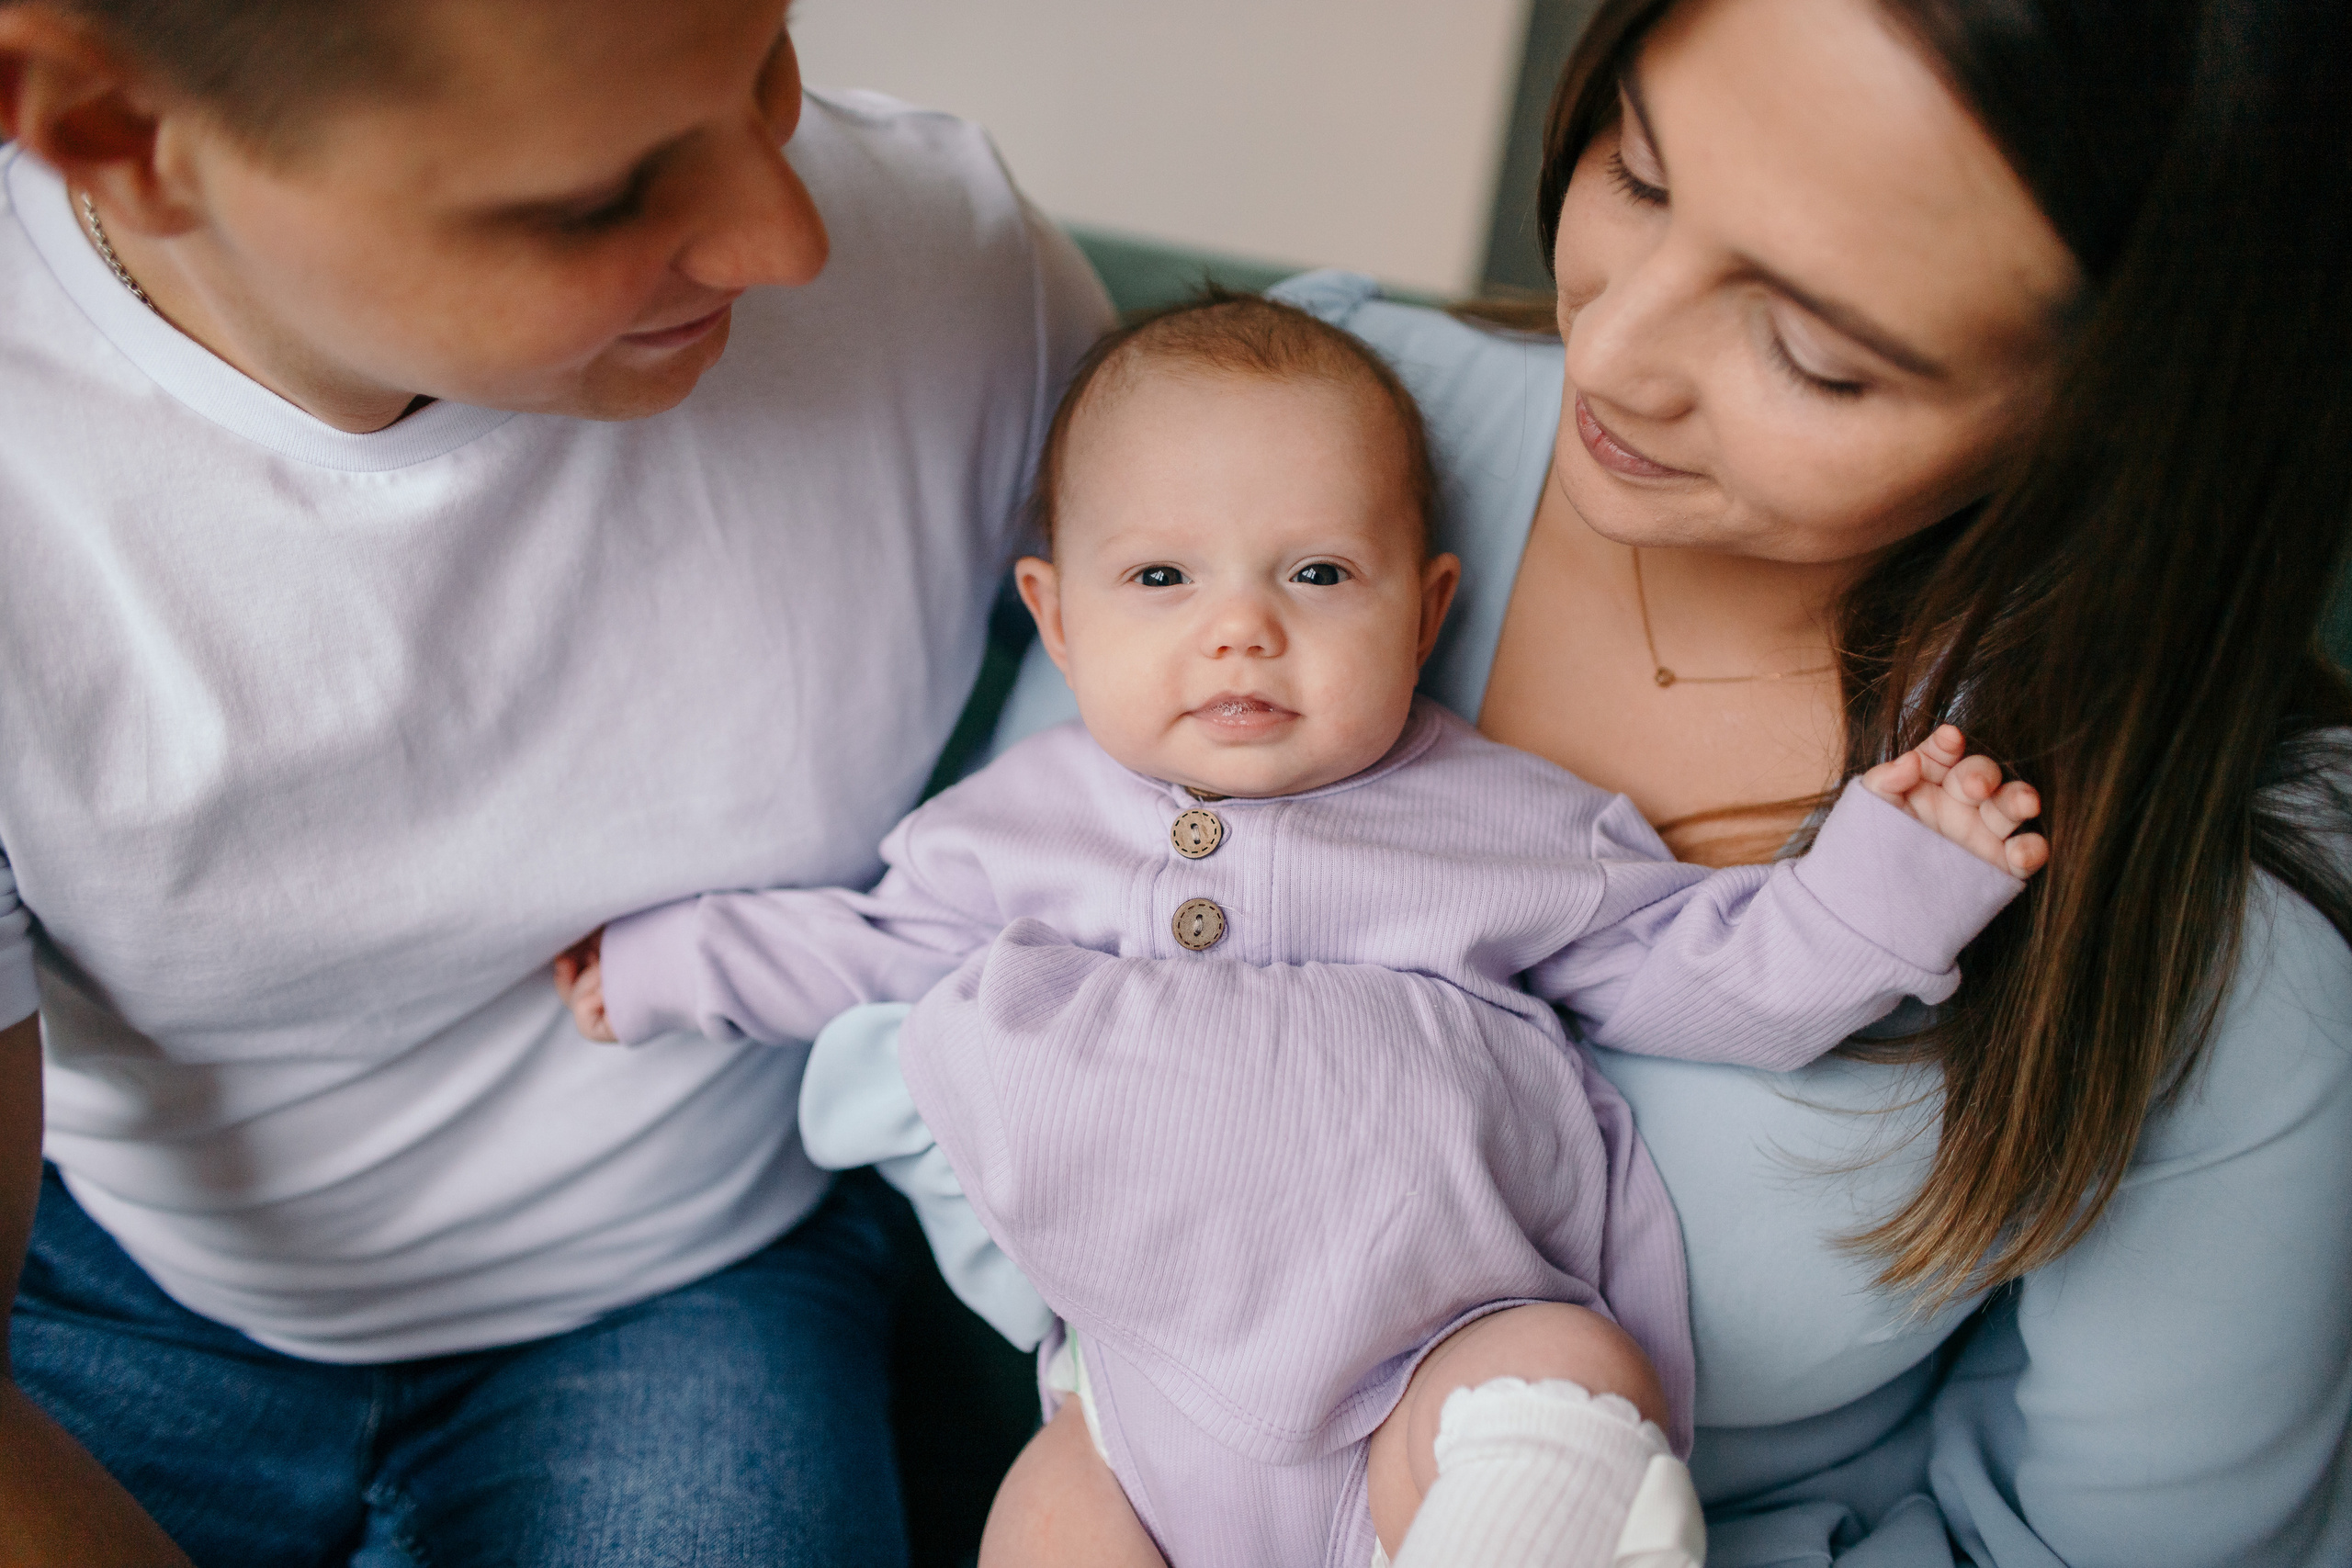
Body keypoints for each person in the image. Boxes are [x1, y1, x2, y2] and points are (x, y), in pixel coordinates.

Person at [980, 0, 2352, 1563]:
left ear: (2127, 409)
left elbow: (2110, 1547)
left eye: (1815, 355)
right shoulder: (1303, 435)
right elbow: (938, 986)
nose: (1612, 357)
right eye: (1638, 176)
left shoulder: (2229, 903)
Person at [555, 293, 2045, 1568]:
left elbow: (1710, 975)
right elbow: (869, 950)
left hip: (1443, 1348)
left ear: (1423, 607)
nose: (1242, 628)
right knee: (1041, 1523)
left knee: (1574, 1384)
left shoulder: (1509, 819)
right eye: (1161, 577)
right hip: (1133, 1410)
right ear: (1057, 619)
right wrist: (668, 962)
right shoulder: (1021, 826)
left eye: (1319, 574)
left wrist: (1890, 880)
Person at [0, 0, 1109, 1561]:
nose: (786, 242)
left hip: (690, 1277)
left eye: (766, 67)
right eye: (600, 198)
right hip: (125, 1281)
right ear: (117, 139)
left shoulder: (947, 265)